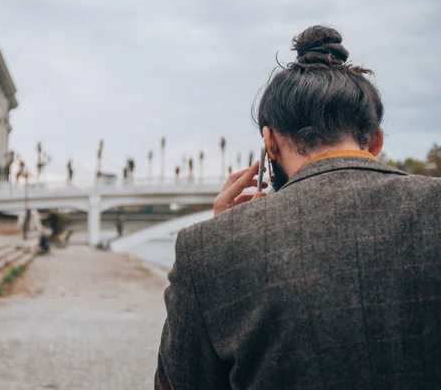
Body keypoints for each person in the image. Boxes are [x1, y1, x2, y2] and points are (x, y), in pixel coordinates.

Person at [155, 25, 441, 389]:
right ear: (376, 140)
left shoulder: (206, 248)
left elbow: (178, 381)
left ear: (269, 142)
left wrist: (223, 240)